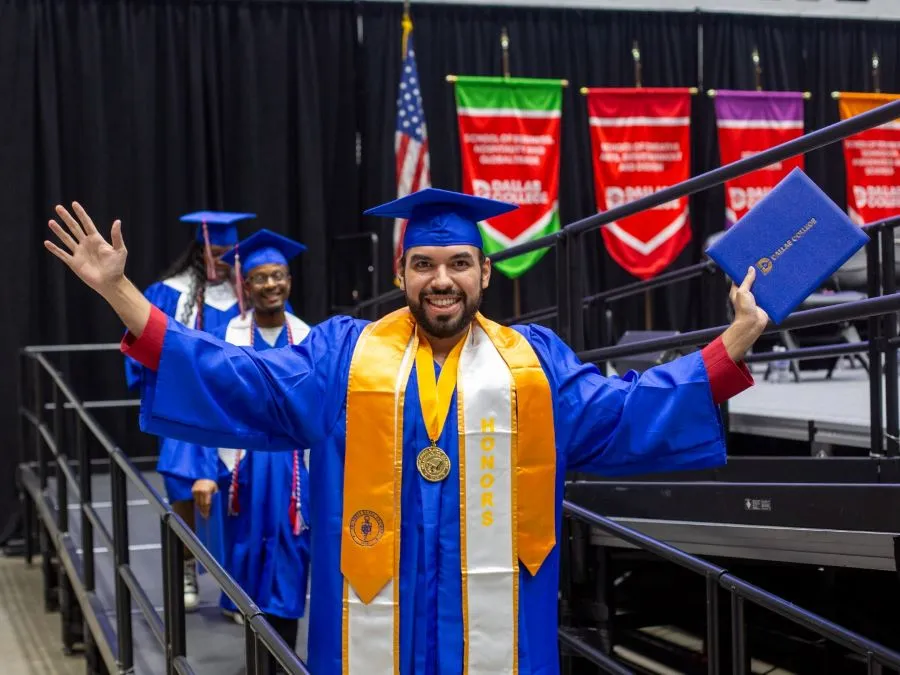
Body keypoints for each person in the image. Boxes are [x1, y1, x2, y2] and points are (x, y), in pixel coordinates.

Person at [45, 189, 767, 675]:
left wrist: (728, 345)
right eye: (425, 264)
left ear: (486, 272)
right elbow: (245, 381)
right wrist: (123, 295)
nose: (442, 279)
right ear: (402, 271)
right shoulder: (341, 355)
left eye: (458, 263)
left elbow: (625, 412)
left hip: (497, 637)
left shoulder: (532, 369)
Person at [189, 229, 312, 665]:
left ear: (289, 281)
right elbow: (210, 408)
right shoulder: (231, 335)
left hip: (296, 473)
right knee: (247, 563)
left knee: (291, 561)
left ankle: (285, 661)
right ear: (246, 285)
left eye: (278, 275)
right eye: (260, 277)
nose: (271, 285)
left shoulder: (308, 337)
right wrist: (203, 468)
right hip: (242, 470)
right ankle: (259, 661)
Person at [123, 210, 255, 612]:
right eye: (214, 252)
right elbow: (143, 348)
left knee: (240, 494)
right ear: (199, 252)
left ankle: (238, 585)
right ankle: (184, 565)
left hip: (234, 409)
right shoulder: (167, 294)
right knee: (183, 487)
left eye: (228, 252)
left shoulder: (247, 296)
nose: (221, 260)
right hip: (186, 408)